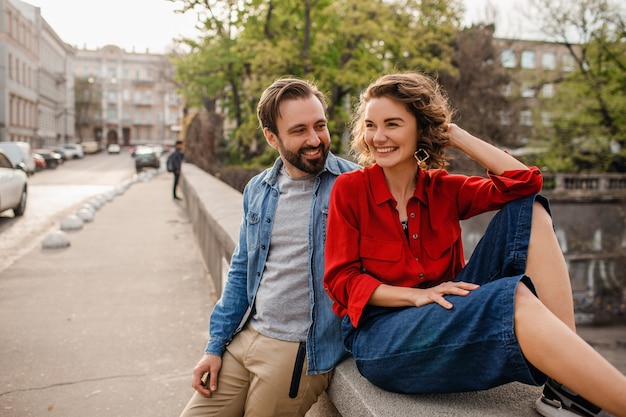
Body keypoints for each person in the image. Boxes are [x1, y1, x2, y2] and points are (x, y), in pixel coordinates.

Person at [323, 72, 626, 417]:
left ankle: (566, 384)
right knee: (513, 299)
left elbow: (526, 183)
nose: (379, 137)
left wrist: (455, 134)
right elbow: (341, 282)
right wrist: (416, 295)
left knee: (531, 210)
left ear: (420, 129)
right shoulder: (350, 190)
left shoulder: (442, 189)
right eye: (371, 125)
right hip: (382, 334)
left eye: (392, 124)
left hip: (447, 310)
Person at [179, 77, 359, 417]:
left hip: (298, 352)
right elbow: (241, 270)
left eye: (320, 126)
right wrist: (215, 346)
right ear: (271, 137)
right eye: (299, 130)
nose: (314, 139)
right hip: (245, 338)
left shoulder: (353, 185)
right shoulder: (258, 189)